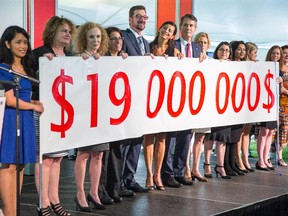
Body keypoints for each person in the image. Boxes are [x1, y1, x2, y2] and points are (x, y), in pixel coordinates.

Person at [32, 16, 75, 215]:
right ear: (53, 32)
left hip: (63, 115)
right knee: (45, 159)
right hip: (44, 113)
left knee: (58, 159)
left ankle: (55, 200)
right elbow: (31, 84)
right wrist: (43, 66)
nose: (68, 34)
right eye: (63, 31)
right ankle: (43, 204)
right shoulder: (38, 54)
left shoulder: (71, 56)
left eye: (69, 31)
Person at [0, 25, 44, 216]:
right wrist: (34, 107)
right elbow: (10, 99)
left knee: (20, 166)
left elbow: (23, 96)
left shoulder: (26, 66)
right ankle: (8, 212)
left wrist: (33, 101)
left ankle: (12, 211)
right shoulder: (4, 68)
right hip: (10, 119)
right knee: (8, 165)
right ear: (8, 44)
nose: (23, 46)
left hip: (24, 118)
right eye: (18, 42)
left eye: (25, 42)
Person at [161, 14, 202, 188]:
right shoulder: (172, 44)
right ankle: (167, 173)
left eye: (191, 25)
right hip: (173, 96)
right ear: (181, 26)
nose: (188, 28)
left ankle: (179, 171)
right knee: (171, 136)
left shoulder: (199, 48)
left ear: (195, 28)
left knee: (186, 136)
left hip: (190, 98)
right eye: (185, 25)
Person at [72, 21, 109, 212]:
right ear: (84, 39)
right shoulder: (78, 59)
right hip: (84, 113)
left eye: (98, 37)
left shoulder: (106, 59)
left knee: (99, 154)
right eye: (91, 37)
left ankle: (94, 192)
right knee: (84, 153)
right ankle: (79, 193)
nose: (95, 40)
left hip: (101, 113)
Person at [144, 21, 183, 191]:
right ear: (159, 29)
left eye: (170, 31)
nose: (167, 31)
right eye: (165, 28)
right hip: (148, 97)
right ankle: (147, 174)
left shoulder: (174, 51)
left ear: (173, 35)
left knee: (162, 138)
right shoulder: (148, 46)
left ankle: (157, 174)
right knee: (149, 137)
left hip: (166, 99)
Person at [119, 5, 151, 196]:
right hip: (125, 97)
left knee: (136, 139)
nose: (142, 20)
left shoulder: (145, 42)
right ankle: (119, 182)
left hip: (140, 98)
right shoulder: (123, 37)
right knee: (125, 140)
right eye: (138, 17)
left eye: (145, 17)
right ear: (130, 19)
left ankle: (129, 178)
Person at [98, 26, 127, 206]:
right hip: (104, 112)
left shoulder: (125, 60)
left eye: (120, 38)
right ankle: (100, 191)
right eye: (114, 38)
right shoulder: (102, 59)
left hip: (120, 112)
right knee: (103, 154)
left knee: (117, 151)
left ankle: (114, 189)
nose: (118, 41)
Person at [183, 32, 212, 182]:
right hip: (190, 103)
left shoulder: (211, 62)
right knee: (189, 137)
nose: (202, 44)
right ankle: (186, 167)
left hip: (204, 104)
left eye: (205, 42)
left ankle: (195, 168)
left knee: (200, 137)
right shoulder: (190, 60)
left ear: (208, 44)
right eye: (199, 42)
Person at [203, 41, 233, 180]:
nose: (225, 52)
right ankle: (207, 164)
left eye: (227, 50)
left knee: (223, 138)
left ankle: (220, 166)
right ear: (217, 51)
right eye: (222, 49)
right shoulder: (211, 64)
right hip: (212, 105)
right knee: (210, 136)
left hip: (227, 106)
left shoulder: (234, 67)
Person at [256, 45, 282, 171]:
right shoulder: (264, 67)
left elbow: (280, 89)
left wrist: (280, 81)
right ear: (269, 54)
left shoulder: (279, 70)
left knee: (270, 132)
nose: (275, 56)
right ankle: (260, 159)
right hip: (264, 104)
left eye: (278, 54)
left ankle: (265, 158)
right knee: (264, 131)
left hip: (274, 105)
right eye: (273, 53)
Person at [277, 45, 288, 166]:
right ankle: (276, 156)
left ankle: (280, 155)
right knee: (277, 131)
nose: (286, 55)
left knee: (286, 131)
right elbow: (281, 89)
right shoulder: (278, 68)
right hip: (280, 104)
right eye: (284, 52)